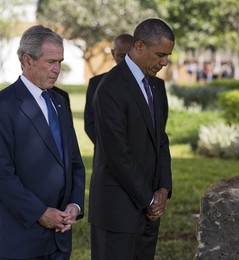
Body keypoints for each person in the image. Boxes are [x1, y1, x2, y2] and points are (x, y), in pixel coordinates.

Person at [0, 25, 85, 260]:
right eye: (51, 62)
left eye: (60, 61)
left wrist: (75, 205)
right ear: (27, 60)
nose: (57, 69)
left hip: (60, 238)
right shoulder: (1, 106)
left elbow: (74, 162)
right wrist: (40, 212)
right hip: (21, 240)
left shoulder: (61, 102)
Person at [88, 18, 175, 260]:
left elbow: (161, 140)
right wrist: (148, 199)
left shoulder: (156, 86)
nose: (164, 62)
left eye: (167, 55)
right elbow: (118, 154)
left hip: (149, 212)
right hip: (116, 211)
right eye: (160, 54)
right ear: (138, 47)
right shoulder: (109, 88)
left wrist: (163, 190)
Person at [84, 34, 134, 144]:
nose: (126, 61)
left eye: (129, 56)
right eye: (121, 56)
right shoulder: (96, 83)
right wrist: (107, 148)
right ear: (113, 53)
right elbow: (90, 123)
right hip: (106, 155)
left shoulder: (150, 84)